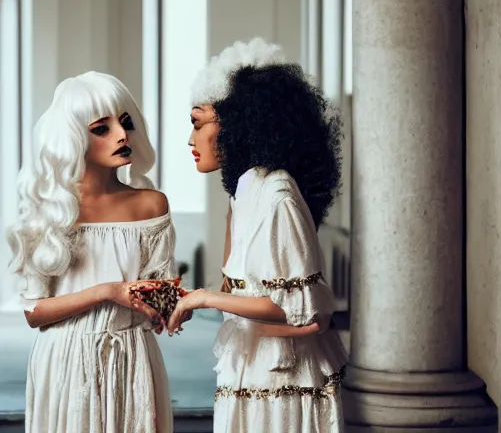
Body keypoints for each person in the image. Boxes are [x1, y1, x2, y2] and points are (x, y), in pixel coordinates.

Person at [168, 38, 346, 432]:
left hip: (283, 380)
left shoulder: (278, 193)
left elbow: (299, 308)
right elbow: (241, 293)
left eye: (197, 124)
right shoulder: (244, 191)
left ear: (237, 124)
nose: (190, 140)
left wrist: (201, 297)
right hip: (252, 369)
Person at [8, 71, 175, 433]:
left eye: (126, 122)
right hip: (65, 360)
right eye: (102, 128)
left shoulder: (151, 205)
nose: (121, 134)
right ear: (73, 138)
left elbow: (161, 302)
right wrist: (107, 292)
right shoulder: (48, 212)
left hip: (133, 357)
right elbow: (35, 313)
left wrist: (171, 308)